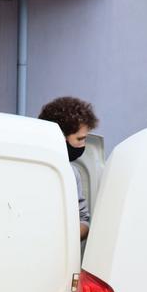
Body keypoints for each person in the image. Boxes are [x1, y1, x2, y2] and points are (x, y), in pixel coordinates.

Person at [38, 96, 99, 240]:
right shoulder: (32, 169)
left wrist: (65, 239)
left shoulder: (72, 173)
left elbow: (83, 219)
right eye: (79, 139)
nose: (83, 144)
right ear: (60, 137)